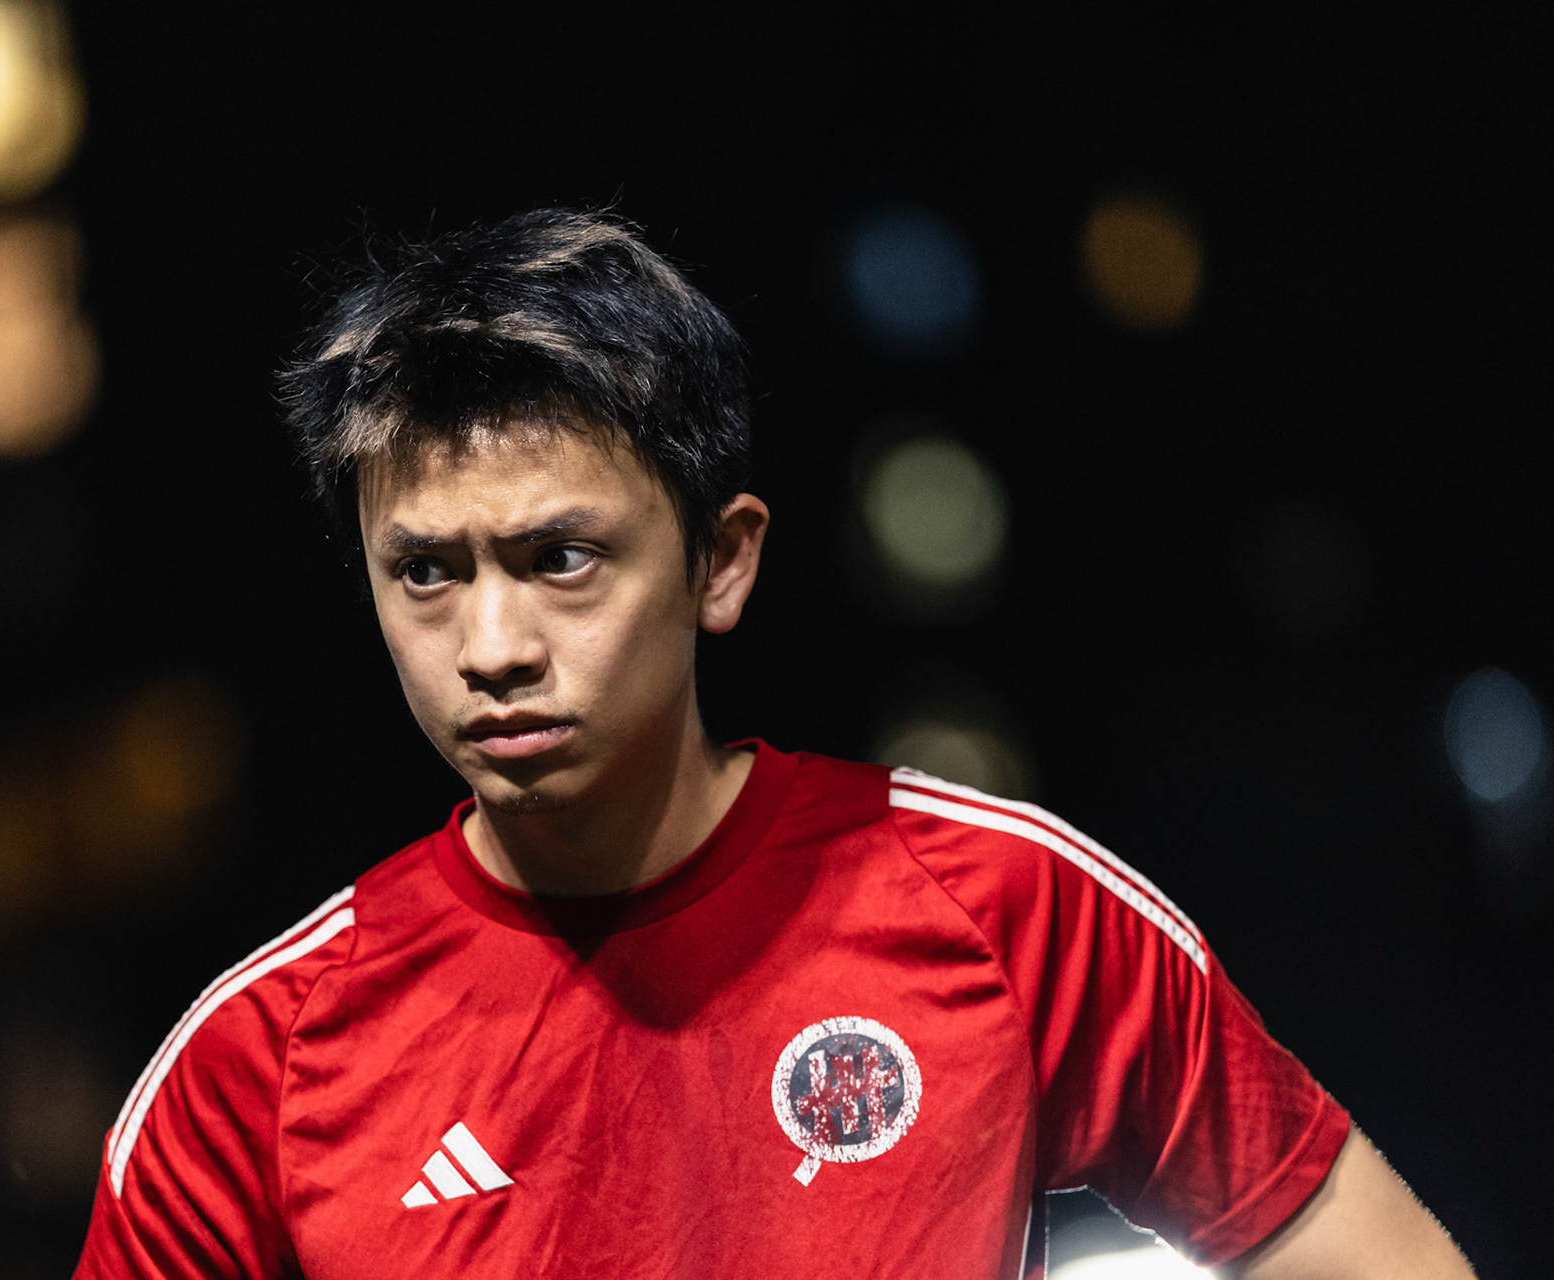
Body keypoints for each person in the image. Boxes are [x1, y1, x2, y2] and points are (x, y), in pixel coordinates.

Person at [74, 208, 1475, 1278]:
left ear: (721, 563)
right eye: (426, 572)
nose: (491, 645)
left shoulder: (1005, 910)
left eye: (562, 557)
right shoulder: (255, 1070)